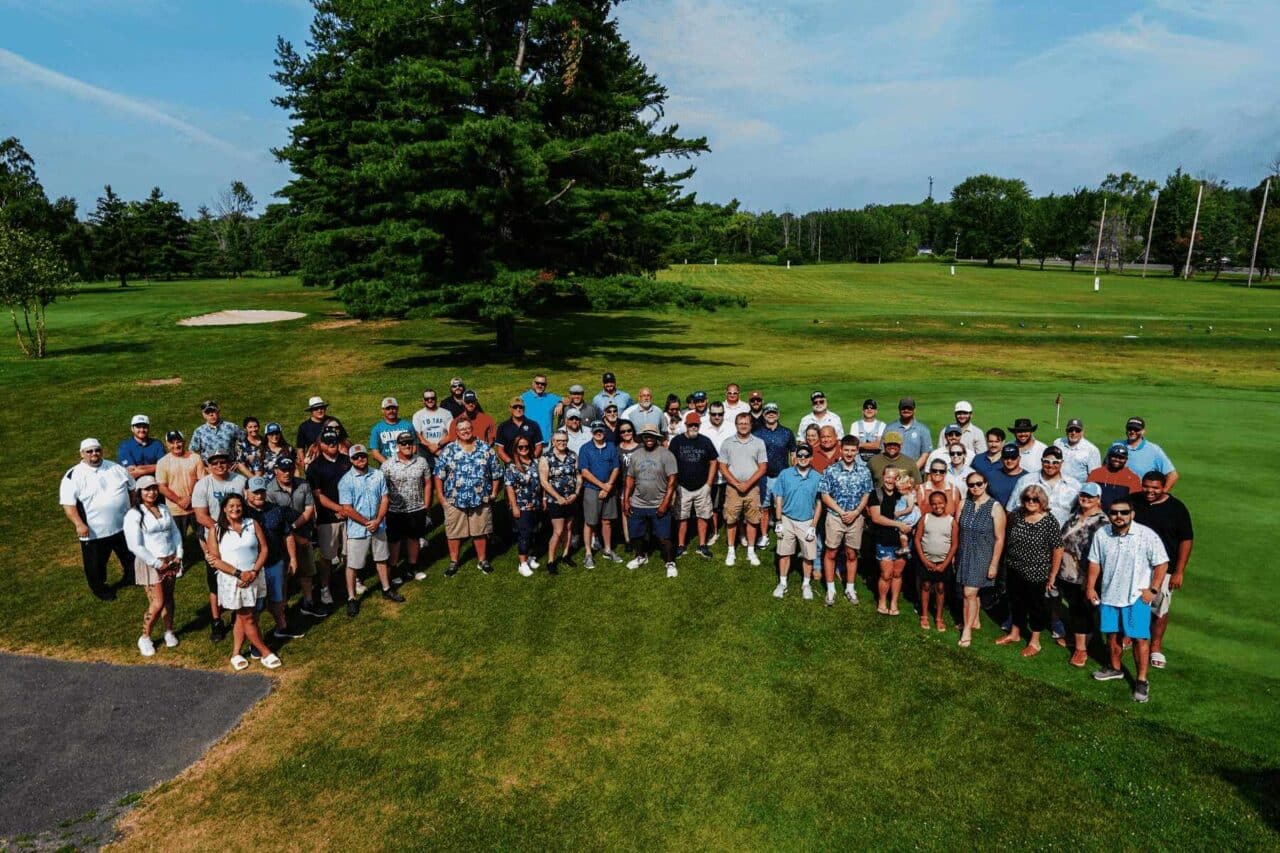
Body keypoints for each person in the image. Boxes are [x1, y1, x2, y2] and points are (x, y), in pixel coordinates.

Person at [1087, 494, 1170, 703]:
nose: (1119, 516)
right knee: (1112, 635)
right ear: (1109, 514)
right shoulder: (1102, 534)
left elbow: (1162, 563)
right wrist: (1090, 587)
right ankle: (1115, 668)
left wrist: (1153, 589)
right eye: (1114, 512)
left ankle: (1141, 680)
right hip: (1109, 595)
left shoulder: (1146, 535)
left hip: (1135, 598)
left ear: (1132, 514)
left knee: (1139, 640)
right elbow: (1094, 562)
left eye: (1124, 512)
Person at [205, 493, 280, 670]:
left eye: (238, 505)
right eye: (230, 506)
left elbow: (264, 549)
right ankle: (265, 652)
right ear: (224, 509)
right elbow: (215, 560)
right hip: (233, 580)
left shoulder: (252, 524)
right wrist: (239, 574)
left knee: (244, 616)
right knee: (248, 617)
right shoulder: (214, 530)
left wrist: (253, 572)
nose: (235, 509)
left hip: (253, 576)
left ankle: (236, 653)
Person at [1131, 471, 1194, 669]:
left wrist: (1179, 571)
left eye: (1155, 487)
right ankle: (1128, 636)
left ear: (1164, 486)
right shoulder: (1133, 501)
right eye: (1147, 486)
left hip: (1164, 568)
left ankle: (1156, 645)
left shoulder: (1176, 508)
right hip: (1135, 565)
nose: (1150, 491)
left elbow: (1186, 540)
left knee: (1159, 608)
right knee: (1131, 601)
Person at [996, 484, 1063, 657]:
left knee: (1035, 607)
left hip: (1037, 572)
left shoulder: (1049, 521)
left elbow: (1058, 548)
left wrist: (1053, 575)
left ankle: (1035, 641)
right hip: (1014, 567)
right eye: (1027, 499)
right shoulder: (1017, 514)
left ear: (1042, 501)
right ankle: (1015, 633)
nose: (1030, 502)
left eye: (1035, 499)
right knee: (1016, 602)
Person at [434, 417, 503, 576]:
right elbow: (438, 475)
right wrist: (442, 498)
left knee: (480, 531)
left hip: (480, 499)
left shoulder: (485, 449)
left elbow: (497, 473)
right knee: (454, 533)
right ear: (457, 432)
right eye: (461, 429)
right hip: (454, 500)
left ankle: (482, 560)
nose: (465, 431)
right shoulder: (449, 450)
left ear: (472, 429)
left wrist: (493, 493)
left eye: (467, 428)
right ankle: (454, 562)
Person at [339, 444, 402, 616]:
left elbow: (384, 499)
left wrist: (378, 520)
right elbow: (347, 509)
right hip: (358, 530)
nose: (360, 459)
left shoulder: (378, 474)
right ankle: (351, 598)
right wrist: (368, 523)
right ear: (351, 460)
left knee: (381, 559)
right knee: (353, 564)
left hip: (379, 525)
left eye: (362, 456)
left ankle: (386, 588)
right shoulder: (345, 481)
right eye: (356, 457)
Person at [1049, 482, 1108, 667]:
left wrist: (1091, 582)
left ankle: (1081, 650)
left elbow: (1101, 555)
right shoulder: (1075, 516)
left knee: (1082, 611)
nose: (1085, 499)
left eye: (1090, 496)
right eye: (1083, 495)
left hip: (1085, 576)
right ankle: (1079, 638)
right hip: (1067, 573)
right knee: (1076, 608)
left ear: (1098, 499)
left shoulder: (1102, 523)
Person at [191, 450, 248, 642]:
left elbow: (246, 508)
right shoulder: (202, 485)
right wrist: (219, 529)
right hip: (214, 537)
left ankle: (236, 612)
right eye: (214, 463)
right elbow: (200, 515)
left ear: (229, 463)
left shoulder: (239, 481)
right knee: (214, 581)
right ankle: (216, 620)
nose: (219, 466)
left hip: (237, 536)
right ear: (208, 465)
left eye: (223, 462)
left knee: (237, 573)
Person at [123, 475, 182, 655]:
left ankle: (168, 631)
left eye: (154, 488)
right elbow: (135, 545)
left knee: (169, 599)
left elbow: (175, 532)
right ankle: (145, 637)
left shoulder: (164, 508)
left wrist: (178, 555)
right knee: (157, 602)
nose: (151, 492)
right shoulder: (133, 514)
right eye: (147, 489)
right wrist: (156, 563)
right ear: (140, 492)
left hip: (170, 560)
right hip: (151, 563)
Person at [245, 477, 303, 640]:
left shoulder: (275, 509)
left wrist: (293, 558)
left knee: (277, 598)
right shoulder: (240, 511)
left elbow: (288, 535)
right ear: (246, 492)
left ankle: (282, 627)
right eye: (255, 492)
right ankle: (255, 640)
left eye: (262, 491)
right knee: (256, 605)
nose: (259, 495)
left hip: (274, 562)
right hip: (251, 566)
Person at [818, 435, 873, 606]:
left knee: (851, 553)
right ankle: (831, 589)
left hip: (856, 518)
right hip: (835, 517)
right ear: (841, 450)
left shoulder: (864, 471)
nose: (849, 453)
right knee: (831, 552)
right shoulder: (831, 470)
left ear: (857, 451)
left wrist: (856, 512)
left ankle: (850, 588)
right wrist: (841, 512)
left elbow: (866, 493)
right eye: (846, 450)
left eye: (853, 450)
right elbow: (825, 495)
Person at [266, 457, 323, 618]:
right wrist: (290, 534)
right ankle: (282, 609)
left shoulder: (303, 484)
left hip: (303, 533)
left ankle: (308, 602)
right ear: (276, 470)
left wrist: (293, 528)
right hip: (280, 540)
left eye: (290, 469)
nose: (287, 473)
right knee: (283, 575)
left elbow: (309, 510)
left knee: (307, 570)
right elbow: (273, 518)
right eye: (283, 470)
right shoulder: (269, 491)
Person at [955, 471, 1006, 647]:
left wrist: (994, 564)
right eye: (971, 485)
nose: (975, 487)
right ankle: (974, 621)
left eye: (979, 484)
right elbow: (957, 530)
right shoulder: (963, 504)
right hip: (964, 552)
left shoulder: (995, 507)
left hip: (983, 555)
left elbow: (999, 539)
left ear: (985, 484)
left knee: (969, 593)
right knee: (972, 592)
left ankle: (967, 630)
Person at [622, 425, 678, 577]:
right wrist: (626, 500)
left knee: (664, 537)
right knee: (636, 535)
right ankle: (640, 556)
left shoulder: (666, 455)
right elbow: (630, 478)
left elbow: (672, 480)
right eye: (646, 436)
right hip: (638, 502)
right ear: (642, 438)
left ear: (657, 437)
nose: (649, 438)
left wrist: (665, 503)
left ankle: (670, 562)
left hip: (658, 503)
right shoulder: (636, 455)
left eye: (652, 435)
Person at [771, 445, 824, 601]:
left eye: (806, 455)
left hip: (807, 521)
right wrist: (778, 521)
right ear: (795, 457)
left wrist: (813, 526)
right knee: (784, 552)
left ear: (811, 458)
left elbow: (819, 503)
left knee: (808, 555)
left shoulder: (817, 477)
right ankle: (782, 583)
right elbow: (778, 498)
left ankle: (806, 584)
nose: (802, 458)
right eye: (799, 455)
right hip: (787, 518)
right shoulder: (785, 474)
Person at [305, 428, 350, 607]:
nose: (332, 445)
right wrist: (338, 508)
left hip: (348, 515)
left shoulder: (347, 461)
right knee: (327, 557)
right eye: (328, 442)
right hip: (327, 518)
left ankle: (352, 582)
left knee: (348, 553)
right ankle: (324, 588)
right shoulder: (314, 467)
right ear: (321, 444)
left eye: (334, 442)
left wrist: (347, 510)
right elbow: (318, 495)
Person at [382, 431, 433, 584]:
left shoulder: (422, 462)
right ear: (398, 446)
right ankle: (394, 570)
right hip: (395, 510)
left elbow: (428, 483)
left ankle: (413, 568)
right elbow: (382, 489)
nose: (407, 446)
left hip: (417, 508)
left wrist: (426, 505)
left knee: (414, 539)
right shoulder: (387, 465)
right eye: (403, 443)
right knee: (395, 542)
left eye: (410, 443)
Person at [719, 413, 768, 568]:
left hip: (752, 488)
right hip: (733, 489)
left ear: (751, 424)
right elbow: (722, 466)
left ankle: (751, 550)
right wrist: (735, 483)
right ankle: (731, 550)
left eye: (746, 423)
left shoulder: (759, 443)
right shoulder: (727, 443)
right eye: (740, 423)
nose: (743, 425)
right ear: (736, 424)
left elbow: (763, 467)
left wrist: (748, 483)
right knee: (731, 519)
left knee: (753, 519)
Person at [669, 412, 718, 559]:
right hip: (682, 487)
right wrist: (675, 484)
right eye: (691, 425)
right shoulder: (677, 441)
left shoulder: (705, 441)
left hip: (702, 486)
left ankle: (702, 545)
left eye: (696, 425)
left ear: (700, 425)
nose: (693, 427)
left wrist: (709, 483)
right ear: (686, 425)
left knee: (702, 516)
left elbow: (714, 461)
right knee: (681, 517)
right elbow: (670, 462)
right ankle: (681, 546)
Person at [868, 467, 914, 615]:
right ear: (882, 476)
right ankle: (882, 601)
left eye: (894, 478)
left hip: (902, 540)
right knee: (886, 573)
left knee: (897, 573)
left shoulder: (901, 493)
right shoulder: (876, 494)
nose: (890, 480)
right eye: (887, 477)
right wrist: (898, 524)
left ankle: (894, 602)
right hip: (884, 539)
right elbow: (876, 517)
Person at [579, 422, 623, 567]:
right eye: (596, 431)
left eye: (601, 430)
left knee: (607, 520)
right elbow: (584, 471)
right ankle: (588, 553)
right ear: (592, 432)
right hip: (592, 489)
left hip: (608, 489)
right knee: (590, 522)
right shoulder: (585, 448)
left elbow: (616, 467)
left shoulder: (611, 447)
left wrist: (608, 486)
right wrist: (602, 486)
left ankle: (608, 549)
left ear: (604, 431)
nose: (599, 433)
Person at [753, 402, 795, 549]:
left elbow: (793, 453)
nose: (771, 414)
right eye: (768, 412)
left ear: (778, 414)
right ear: (763, 415)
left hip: (782, 476)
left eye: (774, 412)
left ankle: (783, 533)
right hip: (763, 477)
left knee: (782, 507)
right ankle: (764, 536)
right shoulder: (757, 433)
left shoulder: (787, 433)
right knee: (764, 508)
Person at [914, 491, 958, 632]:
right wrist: (924, 560)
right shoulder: (925, 518)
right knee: (926, 586)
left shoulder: (951, 521)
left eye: (940, 503)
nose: (937, 506)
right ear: (930, 505)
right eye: (934, 503)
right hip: (926, 560)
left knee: (940, 588)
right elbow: (917, 539)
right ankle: (924, 615)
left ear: (945, 503)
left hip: (942, 562)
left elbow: (954, 544)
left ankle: (939, 618)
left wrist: (945, 564)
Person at [540, 429, 582, 571]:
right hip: (556, 500)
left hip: (571, 498)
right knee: (558, 531)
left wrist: (576, 493)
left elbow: (578, 476)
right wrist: (558, 497)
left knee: (569, 528)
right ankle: (551, 560)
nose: (562, 443)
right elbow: (544, 482)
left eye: (564, 440)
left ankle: (565, 555)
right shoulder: (546, 457)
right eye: (559, 441)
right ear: (553, 441)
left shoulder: (573, 456)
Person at [1007, 446, 1080, 524]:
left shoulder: (1074, 485)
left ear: (1061, 462)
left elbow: (1082, 513)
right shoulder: (1025, 481)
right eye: (1047, 461)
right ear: (1041, 461)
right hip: (1031, 534)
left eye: (1055, 462)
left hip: (1063, 534)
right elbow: (1010, 510)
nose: (1050, 465)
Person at [155, 429, 204, 542]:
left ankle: (210, 559)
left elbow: (201, 481)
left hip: (196, 506)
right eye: (172, 443)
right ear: (167, 444)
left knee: (204, 538)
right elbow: (162, 487)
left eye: (179, 442)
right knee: (177, 541)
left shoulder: (195, 457)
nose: (176, 445)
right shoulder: (162, 462)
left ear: (184, 442)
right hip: (175, 509)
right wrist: (179, 500)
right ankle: (181, 560)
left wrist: (190, 498)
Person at [504, 438, 544, 577]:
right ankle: (522, 563)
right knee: (524, 534)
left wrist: (543, 499)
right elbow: (509, 487)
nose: (524, 449)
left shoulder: (536, 462)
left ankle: (530, 556)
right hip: (522, 506)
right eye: (520, 447)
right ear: (516, 449)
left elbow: (542, 482)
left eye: (526, 446)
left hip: (536, 504)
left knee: (534, 532)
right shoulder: (512, 466)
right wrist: (514, 506)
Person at [1120, 417, 1179, 490]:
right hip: (1116, 495)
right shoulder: (1116, 445)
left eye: (1136, 429)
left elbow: (1172, 475)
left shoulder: (1154, 450)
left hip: (1139, 497)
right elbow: (1105, 467)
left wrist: (1161, 494)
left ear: (1143, 431)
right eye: (1130, 428)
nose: (1132, 431)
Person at [189, 400, 244, 466]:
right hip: (209, 470)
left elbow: (245, 440)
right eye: (207, 412)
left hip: (229, 468)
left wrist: (238, 460)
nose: (211, 414)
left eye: (213, 411)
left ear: (218, 411)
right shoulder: (199, 431)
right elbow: (192, 451)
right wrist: (202, 465)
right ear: (204, 415)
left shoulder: (231, 427)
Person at [1087, 444, 1141, 511]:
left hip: (1119, 515)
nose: (1117, 460)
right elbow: (1087, 495)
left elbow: (1134, 502)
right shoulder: (1096, 473)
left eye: (1121, 458)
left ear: (1126, 459)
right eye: (1114, 456)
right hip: (1097, 514)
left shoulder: (1133, 478)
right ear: (1109, 457)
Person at [886, 397, 932, 473]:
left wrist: (912, 470)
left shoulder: (923, 429)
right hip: (893, 473)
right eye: (903, 408)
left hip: (915, 473)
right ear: (899, 410)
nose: (906, 410)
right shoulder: (890, 428)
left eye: (909, 408)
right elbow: (884, 451)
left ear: (914, 410)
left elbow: (925, 454)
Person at [496, 396, 545, 464]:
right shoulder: (503, 427)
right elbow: (500, 450)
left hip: (530, 464)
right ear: (510, 409)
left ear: (524, 409)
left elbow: (539, 446)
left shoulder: (533, 425)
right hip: (511, 465)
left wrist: (531, 461)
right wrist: (512, 463)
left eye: (520, 407)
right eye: (515, 407)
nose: (518, 409)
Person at [1054, 418, 1100, 486]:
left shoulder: (1092, 450)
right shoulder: (1058, 443)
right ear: (1066, 431)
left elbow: (1094, 476)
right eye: (1071, 430)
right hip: (1057, 486)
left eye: (1077, 430)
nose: (1074, 433)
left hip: (1078, 490)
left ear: (1082, 432)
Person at [369, 397, 414, 465]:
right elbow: (375, 453)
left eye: (393, 408)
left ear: (397, 409)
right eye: (388, 409)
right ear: (383, 410)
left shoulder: (408, 425)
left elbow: (414, 446)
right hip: (388, 465)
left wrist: (407, 462)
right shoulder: (377, 429)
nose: (391, 411)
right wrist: (389, 465)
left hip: (407, 463)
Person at [117, 414, 164, 479]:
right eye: (138, 427)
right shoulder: (124, 446)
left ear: (148, 428)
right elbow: (132, 472)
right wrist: (156, 467)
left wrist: (140, 470)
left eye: (144, 427)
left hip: (156, 480)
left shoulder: (157, 444)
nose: (142, 430)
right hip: (135, 483)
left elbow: (164, 466)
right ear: (132, 429)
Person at [413, 388, 453, 463]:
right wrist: (430, 447)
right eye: (427, 399)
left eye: (432, 398)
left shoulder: (446, 413)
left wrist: (438, 446)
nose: (430, 400)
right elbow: (417, 435)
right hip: (425, 450)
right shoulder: (418, 415)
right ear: (423, 400)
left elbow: (451, 433)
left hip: (443, 449)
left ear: (436, 399)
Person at [520, 373, 559, 440]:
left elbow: (567, 400)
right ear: (533, 383)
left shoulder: (551, 397)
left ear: (546, 385)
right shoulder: (523, 398)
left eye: (543, 384)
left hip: (546, 440)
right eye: (537, 383)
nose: (540, 385)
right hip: (529, 440)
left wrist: (560, 403)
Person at [295, 396, 331, 465]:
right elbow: (300, 449)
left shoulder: (333, 422)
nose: (319, 410)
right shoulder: (304, 427)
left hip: (334, 461)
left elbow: (344, 441)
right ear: (311, 411)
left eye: (321, 408)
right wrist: (305, 465)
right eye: (316, 409)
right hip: (314, 463)